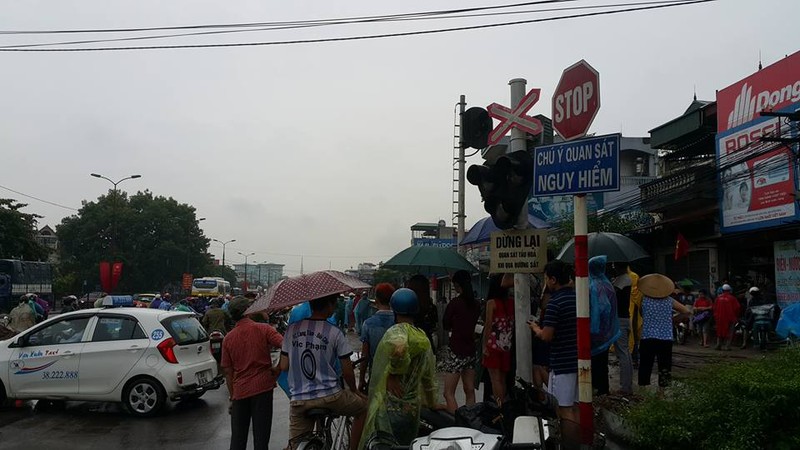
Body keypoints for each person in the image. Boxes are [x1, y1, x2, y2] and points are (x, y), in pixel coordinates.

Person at [279, 294, 367, 450]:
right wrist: (354, 391)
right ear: (329, 305)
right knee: (364, 408)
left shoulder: (291, 330)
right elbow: (347, 370)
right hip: (331, 397)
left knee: (294, 445)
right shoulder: (334, 332)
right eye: (334, 304)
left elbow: (284, 365)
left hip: (299, 400)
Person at [359, 288, 443, 448]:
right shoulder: (423, 338)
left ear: (394, 309)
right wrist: (432, 403)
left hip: (389, 408)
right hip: (411, 411)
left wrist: (393, 374)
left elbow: (399, 348)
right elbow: (428, 378)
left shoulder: (397, 332)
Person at [221, 297, 284, 450]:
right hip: (263, 388)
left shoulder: (228, 339)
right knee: (261, 440)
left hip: (240, 392)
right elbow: (286, 345)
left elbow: (227, 372)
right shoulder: (264, 329)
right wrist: (278, 368)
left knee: (238, 440)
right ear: (248, 311)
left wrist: (232, 396)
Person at [529, 260, 579, 448]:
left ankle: (569, 446)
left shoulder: (555, 303)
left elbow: (547, 336)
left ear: (553, 279)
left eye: (546, 279)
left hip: (562, 363)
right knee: (576, 407)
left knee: (564, 410)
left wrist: (535, 328)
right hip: (579, 361)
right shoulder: (578, 298)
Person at [637, 273, 690, 390]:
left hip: (647, 336)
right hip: (666, 338)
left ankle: (643, 390)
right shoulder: (669, 301)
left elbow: (641, 314)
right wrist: (672, 319)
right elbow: (686, 311)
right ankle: (661, 392)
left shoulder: (644, 300)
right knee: (664, 365)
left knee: (645, 364)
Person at [438, 270, 481, 413]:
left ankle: (456, 422)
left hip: (456, 350)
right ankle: (470, 419)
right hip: (471, 350)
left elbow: (445, 324)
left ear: (457, 285)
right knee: (469, 389)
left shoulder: (455, 303)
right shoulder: (476, 304)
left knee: (448, 393)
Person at [588, 256, 620, 396]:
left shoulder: (594, 286)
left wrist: (594, 328)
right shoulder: (608, 284)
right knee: (602, 364)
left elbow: (603, 308)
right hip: (607, 332)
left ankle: (599, 392)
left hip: (596, 332)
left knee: (595, 365)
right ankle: (603, 391)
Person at [483, 273, 514, 406]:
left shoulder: (492, 303)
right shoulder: (511, 302)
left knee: (495, 380)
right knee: (502, 379)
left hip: (493, 346)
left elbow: (488, 325)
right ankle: (504, 406)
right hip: (507, 346)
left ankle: (499, 407)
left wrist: (484, 346)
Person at [359, 283, 396, 392]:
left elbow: (364, 356)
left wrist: (361, 380)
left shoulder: (368, 324)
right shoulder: (399, 322)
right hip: (397, 381)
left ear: (376, 300)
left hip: (375, 378)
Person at [611, 262, 634, 394]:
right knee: (624, 353)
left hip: (620, 319)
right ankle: (627, 385)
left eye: (615, 265)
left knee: (623, 353)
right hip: (623, 319)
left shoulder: (623, 279)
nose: (613, 267)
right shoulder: (623, 279)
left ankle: (625, 387)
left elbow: (613, 295)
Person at [407, 275, 438, 351]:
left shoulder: (408, 306)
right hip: (427, 343)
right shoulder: (430, 307)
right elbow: (434, 326)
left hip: (409, 344)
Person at [714, 284, 740, 350]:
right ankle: (727, 346)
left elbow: (714, 308)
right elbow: (737, 308)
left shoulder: (718, 298)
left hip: (719, 318)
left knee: (719, 331)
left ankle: (718, 345)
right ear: (729, 290)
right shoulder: (732, 298)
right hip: (730, 318)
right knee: (730, 332)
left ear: (722, 290)